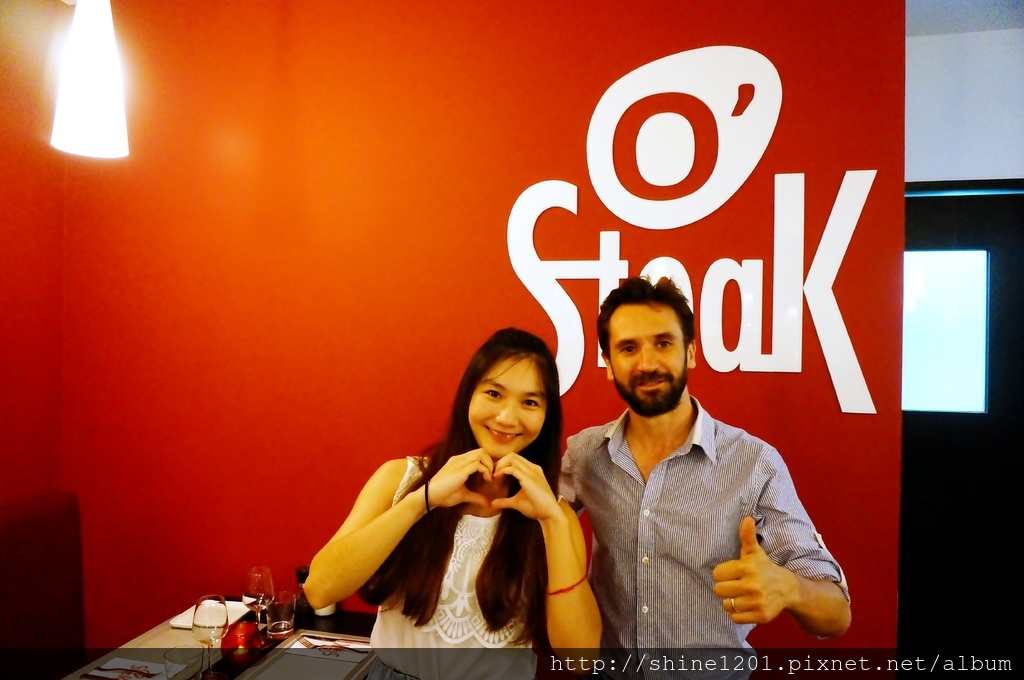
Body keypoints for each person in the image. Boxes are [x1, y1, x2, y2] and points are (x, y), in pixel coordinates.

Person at [560, 277, 850, 673]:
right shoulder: (584, 455)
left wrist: (789, 588)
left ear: (691, 352)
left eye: (664, 343)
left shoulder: (754, 463)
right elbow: (529, 527)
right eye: (628, 348)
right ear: (609, 365)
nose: (647, 363)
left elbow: (837, 615)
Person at [305, 328, 601, 680]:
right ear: (468, 396)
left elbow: (581, 660)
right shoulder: (401, 478)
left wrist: (551, 519)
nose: (507, 417)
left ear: (546, 417)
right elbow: (319, 588)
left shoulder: (554, 514)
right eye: (494, 393)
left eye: (530, 402)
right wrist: (422, 501)